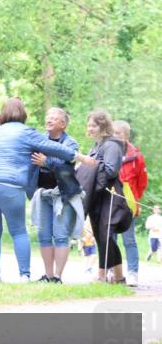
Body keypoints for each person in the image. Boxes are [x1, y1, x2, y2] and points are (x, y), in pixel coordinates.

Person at [0, 98, 96, 283]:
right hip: (9, 184)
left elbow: (10, 140)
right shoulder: (27, 133)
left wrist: (0, 125)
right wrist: (82, 158)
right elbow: (55, 148)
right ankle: (24, 275)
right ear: (23, 114)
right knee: (18, 231)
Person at [30, 107, 83, 283]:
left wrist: (46, 161)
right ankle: (48, 275)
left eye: (54, 117)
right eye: (48, 116)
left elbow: (65, 164)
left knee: (60, 235)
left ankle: (58, 277)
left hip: (63, 194)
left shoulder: (71, 143)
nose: (49, 119)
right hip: (43, 194)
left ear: (63, 124)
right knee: (44, 235)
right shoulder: (39, 139)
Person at [75, 110, 129, 283]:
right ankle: (119, 277)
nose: (89, 129)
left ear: (103, 126)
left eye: (93, 125)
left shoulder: (112, 145)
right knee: (101, 236)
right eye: (88, 125)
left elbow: (111, 170)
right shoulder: (96, 146)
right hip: (96, 196)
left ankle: (102, 275)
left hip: (109, 196)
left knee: (106, 234)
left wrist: (88, 165)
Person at [114, 120, 148, 286]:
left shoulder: (136, 156)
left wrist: (134, 198)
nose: (115, 136)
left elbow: (142, 182)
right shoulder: (107, 150)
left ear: (126, 135)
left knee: (129, 240)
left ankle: (133, 273)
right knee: (110, 238)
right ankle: (111, 271)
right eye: (113, 133)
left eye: (118, 133)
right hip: (111, 200)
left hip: (128, 202)